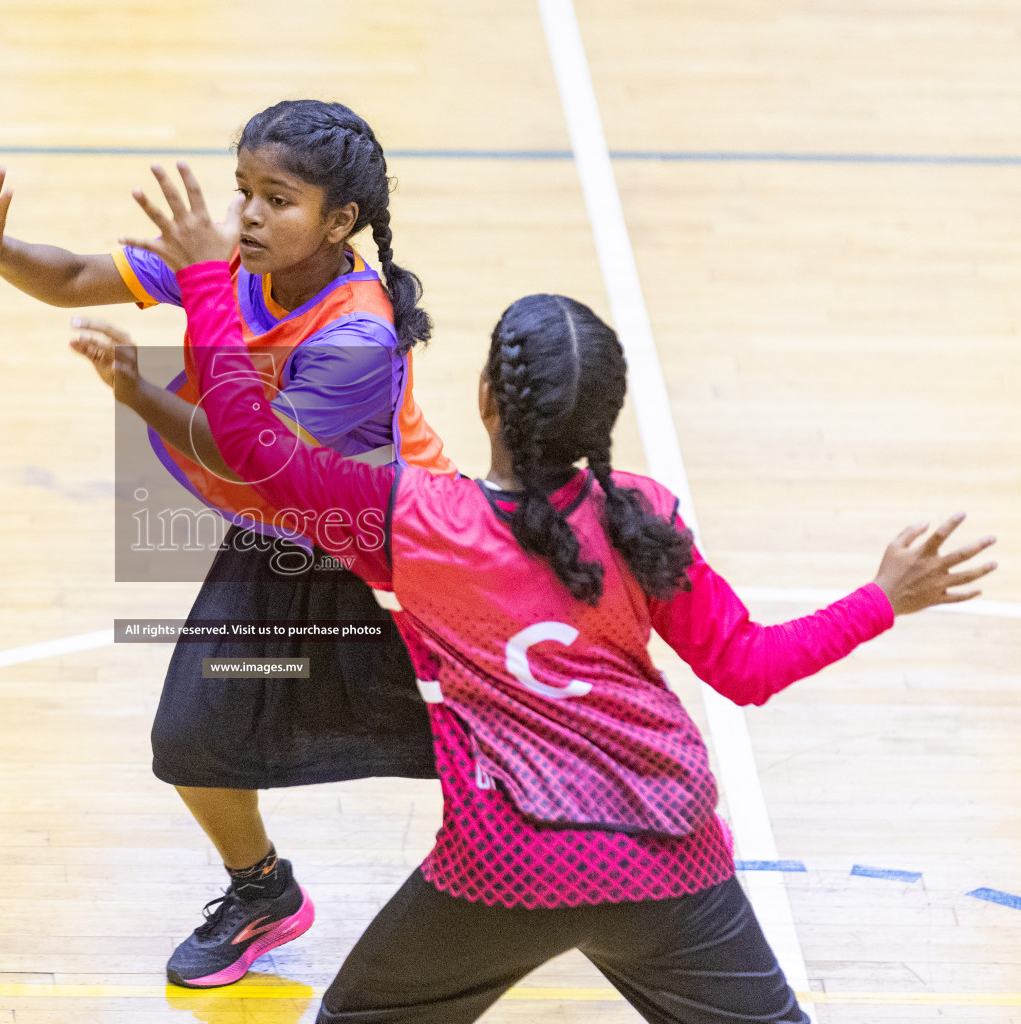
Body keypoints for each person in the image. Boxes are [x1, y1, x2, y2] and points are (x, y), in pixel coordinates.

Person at [71, 162, 999, 1021]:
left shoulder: (419, 520)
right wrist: (884, 596)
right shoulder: (646, 519)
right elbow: (751, 668)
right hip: (671, 857)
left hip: (507, 868)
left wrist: (200, 285)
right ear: (605, 417)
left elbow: (252, 445)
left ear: (484, 400)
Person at [0, 100, 456, 987]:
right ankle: (261, 890)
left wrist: (141, 393)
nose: (251, 214)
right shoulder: (223, 258)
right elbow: (72, 276)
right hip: (281, 541)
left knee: (484, 744)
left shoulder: (358, 337)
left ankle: (585, 850)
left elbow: (257, 455)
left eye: (279, 198)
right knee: (189, 735)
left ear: (341, 223)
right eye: (244, 191)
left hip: (403, 557)